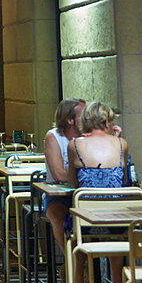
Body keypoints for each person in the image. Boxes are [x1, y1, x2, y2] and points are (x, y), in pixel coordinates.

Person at [66, 101, 128, 283]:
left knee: (75, 239)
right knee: (116, 238)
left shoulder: (75, 145)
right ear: (108, 121)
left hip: (87, 223)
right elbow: (125, 183)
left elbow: (73, 184)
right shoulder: (121, 144)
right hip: (115, 221)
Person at [43, 98, 84, 250]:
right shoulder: (53, 137)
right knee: (57, 215)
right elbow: (59, 174)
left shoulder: (87, 137)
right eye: (83, 115)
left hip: (83, 193)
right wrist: (85, 172)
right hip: (57, 195)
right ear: (69, 120)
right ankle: (71, 263)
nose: (87, 118)